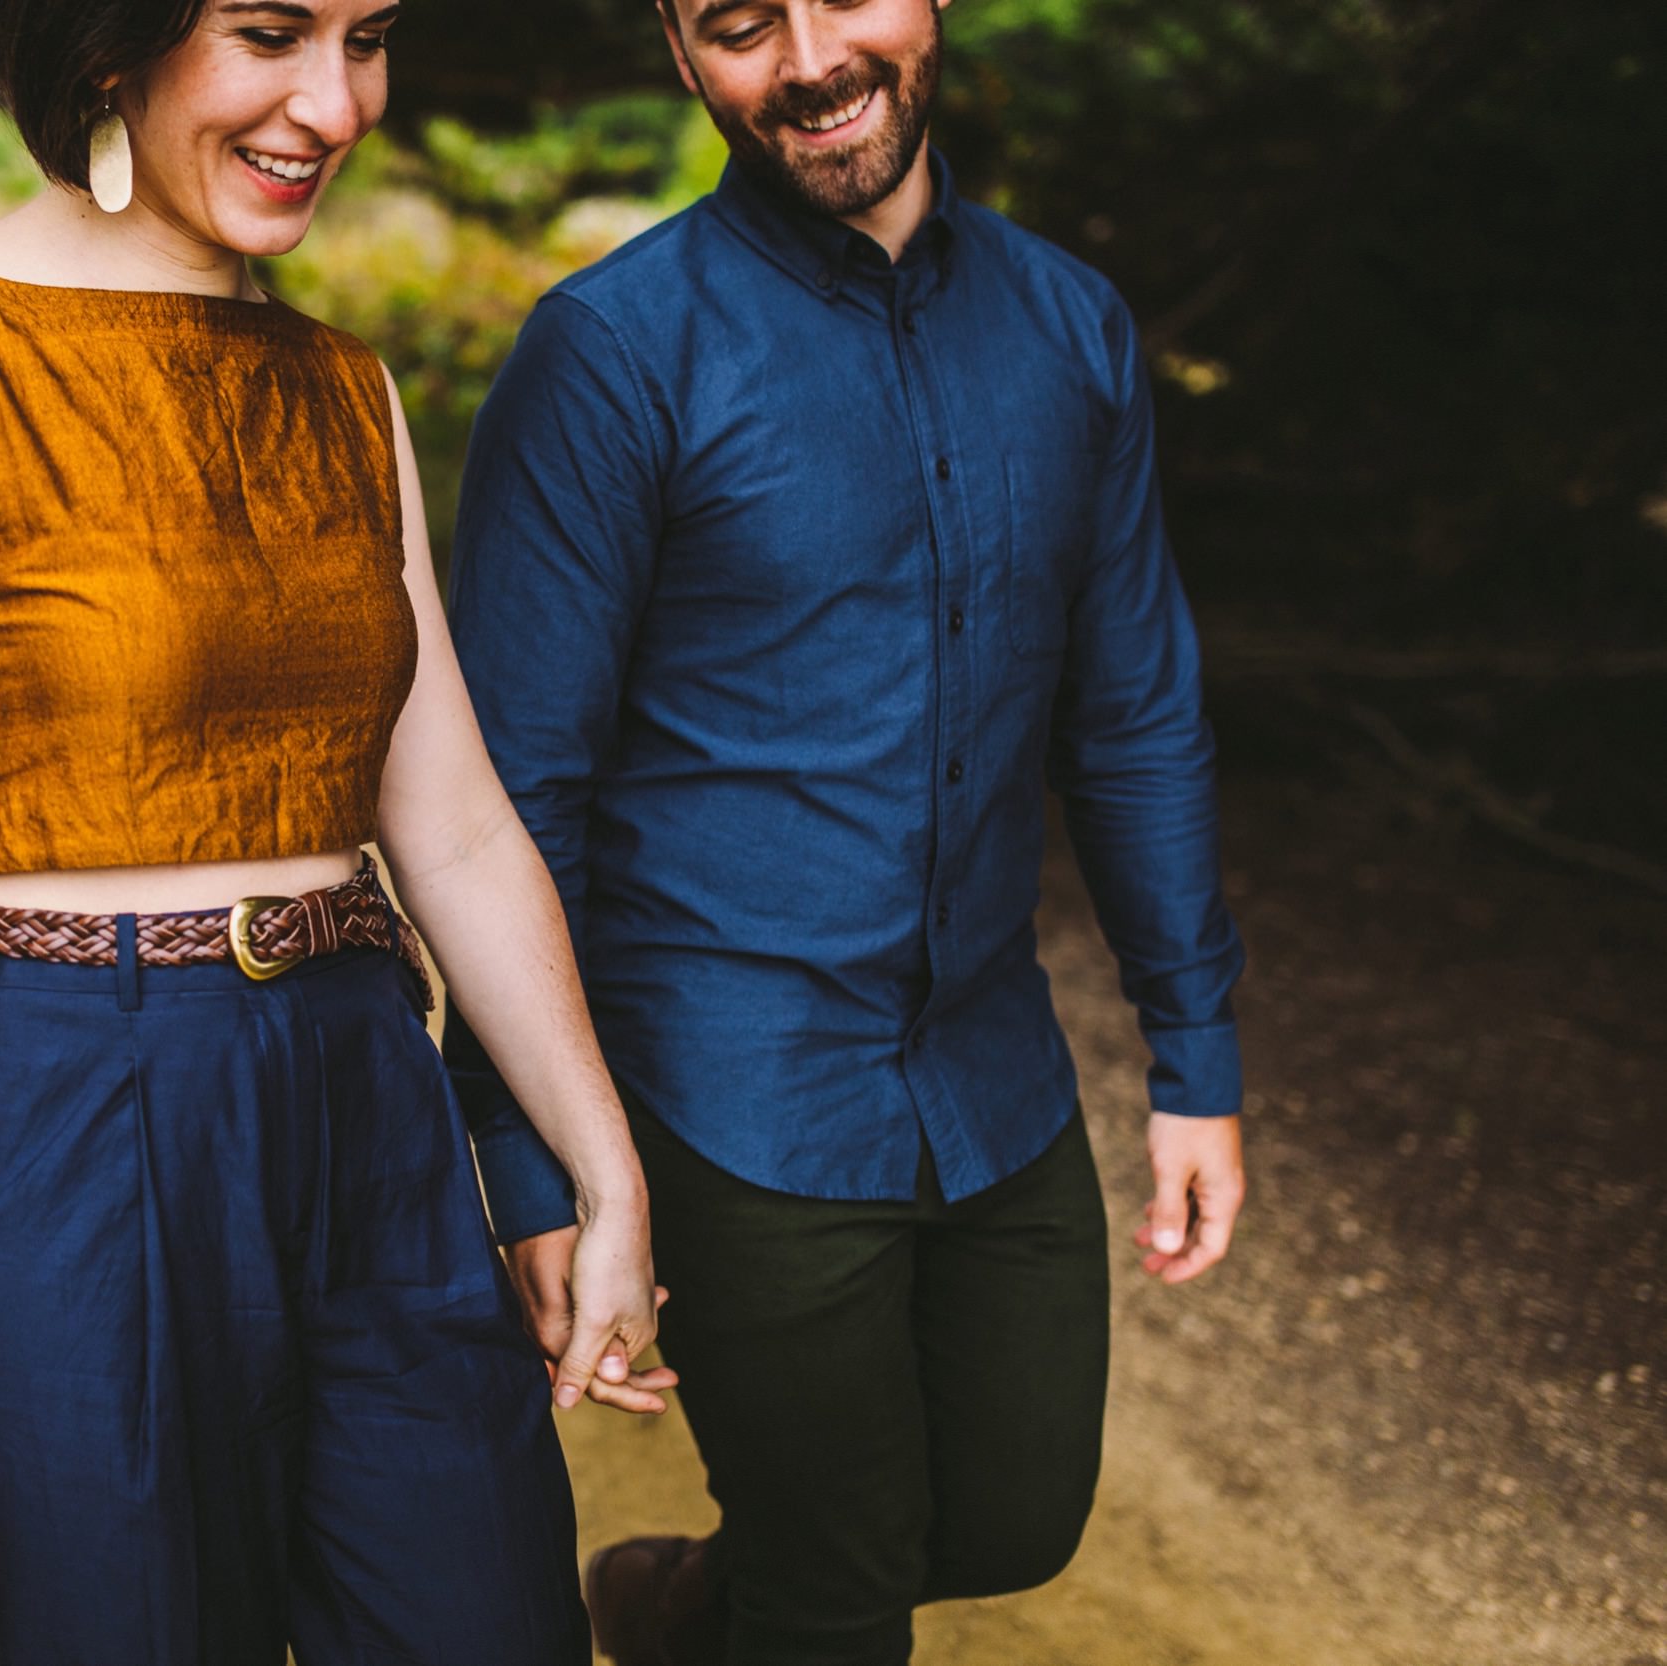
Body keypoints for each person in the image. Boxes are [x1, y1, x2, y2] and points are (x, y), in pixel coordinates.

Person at [0, 1, 674, 1661]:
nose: (334, 100)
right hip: (57, 1114)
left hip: (366, 1100)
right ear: (114, 44)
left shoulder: (341, 388)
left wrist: (603, 1168)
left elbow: (448, 821)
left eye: (369, 40)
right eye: (268, 33)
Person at [440, 1, 1250, 1662]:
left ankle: (674, 1607)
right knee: (838, 1594)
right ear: (683, 50)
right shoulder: (609, 354)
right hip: (729, 1088)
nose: (809, 55)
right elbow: (511, 796)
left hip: (989, 1066)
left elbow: (1134, 716)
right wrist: (527, 1159)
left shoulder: (1073, 326)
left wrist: (1197, 1052)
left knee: (1017, 1515)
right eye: (741, 19)